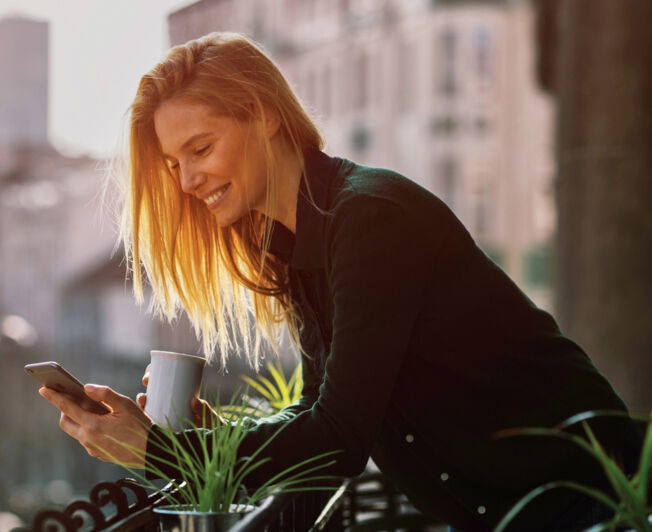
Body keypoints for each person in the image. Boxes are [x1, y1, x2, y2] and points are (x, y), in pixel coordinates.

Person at [38, 32, 641, 530]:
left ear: (266, 116)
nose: (187, 180)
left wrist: (157, 452)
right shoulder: (301, 240)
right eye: (174, 165)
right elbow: (321, 409)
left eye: (200, 148)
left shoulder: (368, 220)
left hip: (599, 505)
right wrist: (210, 435)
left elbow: (339, 440)